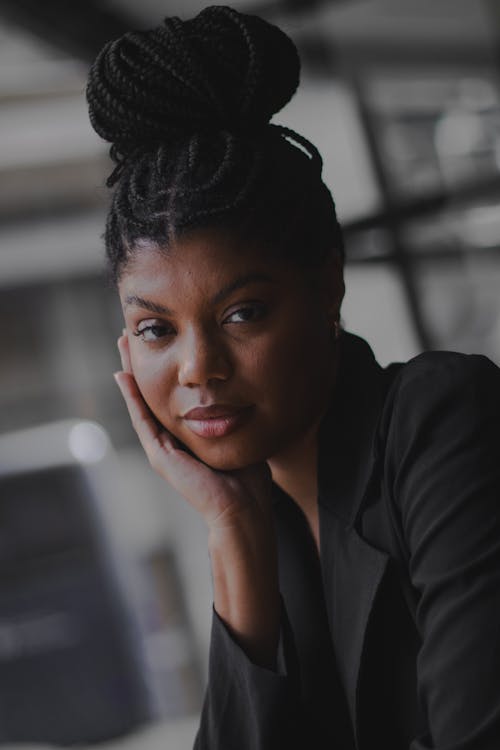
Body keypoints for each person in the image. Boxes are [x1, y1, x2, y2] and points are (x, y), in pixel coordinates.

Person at [86, 6, 500, 749]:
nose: (197, 367)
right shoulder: (256, 508)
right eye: (156, 329)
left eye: (243, 313)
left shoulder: (442, 420)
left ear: (328, 288)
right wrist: (233, 532)